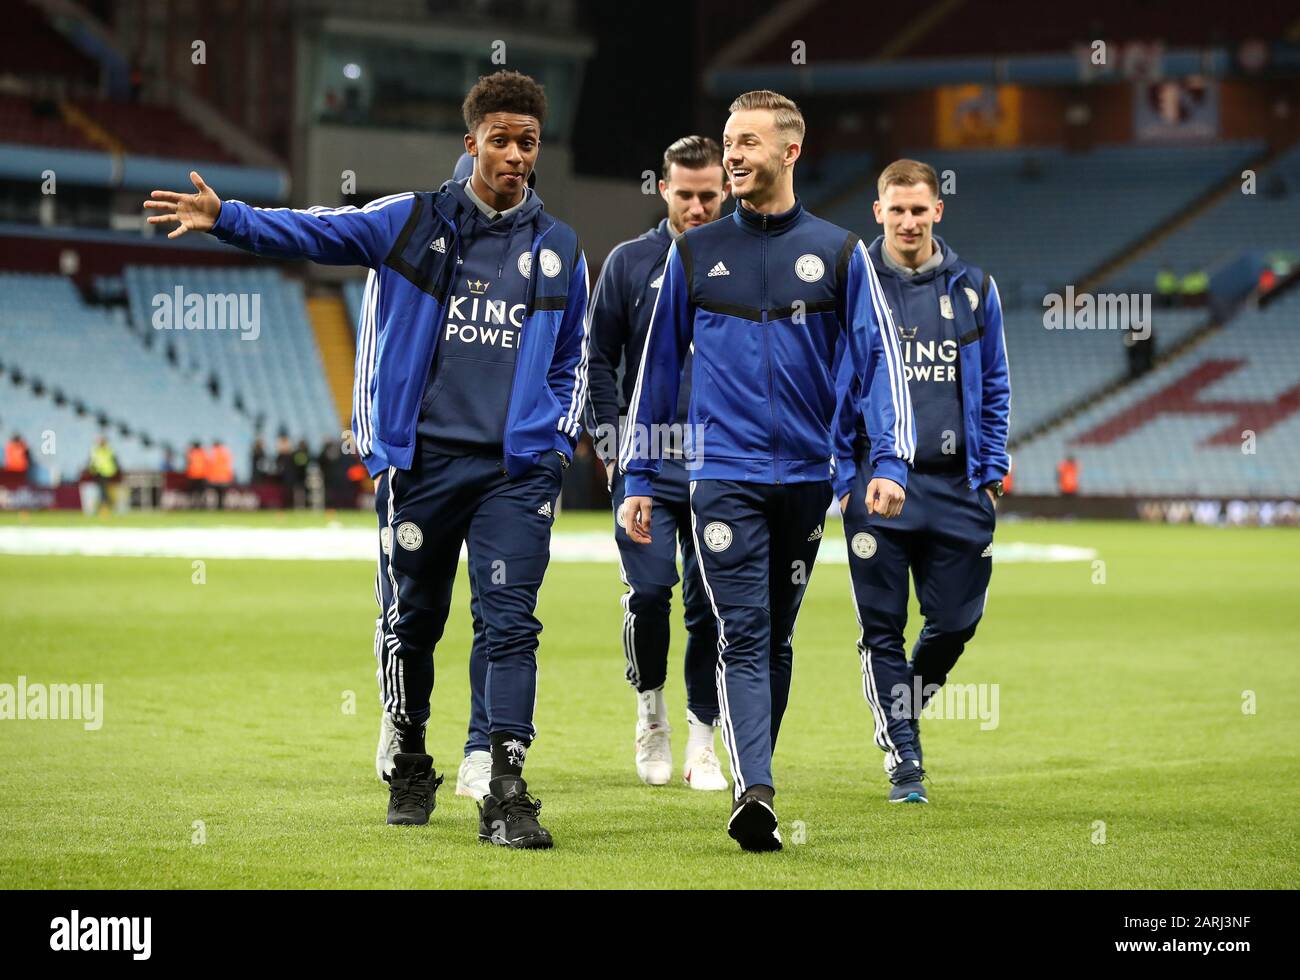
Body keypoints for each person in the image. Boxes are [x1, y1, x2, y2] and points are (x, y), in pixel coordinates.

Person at [145, 70, 589, 848]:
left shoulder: (559, 249)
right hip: (422, 466)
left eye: (528, 142)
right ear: (471, 143)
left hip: (514, 474)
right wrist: (226, 218)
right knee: (412, 625)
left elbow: (573, 360)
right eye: (501, 140)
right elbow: (316, 229)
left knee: (511, 624)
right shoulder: (409, 221)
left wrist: (551, 443)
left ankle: (508, 787)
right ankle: (411, 750)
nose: (515, 155)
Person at [620, 90, 913, 851]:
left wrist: (886, 461)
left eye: (747, 142)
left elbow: (880, 367)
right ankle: (755, 793)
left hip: (809, 481)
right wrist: (640, 480)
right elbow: (654, 379)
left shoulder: (844, 255)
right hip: (721, 474)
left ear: (790, 151)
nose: (733, 155)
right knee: (742, 632)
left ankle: (757, 771)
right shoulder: (693, 254)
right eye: (728, 141)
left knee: (777, 637)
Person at [833, 159, 1010, 804]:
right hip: (876, 485)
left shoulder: (974, 288)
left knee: (957, 621)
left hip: (956, 484)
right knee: (882, 627)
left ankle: (900, 704)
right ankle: (904, 752)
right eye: (896, 209)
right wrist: (843, 478)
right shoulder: (853, 284)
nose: (908, 221)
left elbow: (993, 383)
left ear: (939, 211)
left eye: (919, 209)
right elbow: (834, 383)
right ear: (877, 212)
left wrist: (989, 472)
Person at [586, 135, 729, 791]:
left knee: (712, 609)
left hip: (724, 468)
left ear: (724, 191)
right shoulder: (628, 263)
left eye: (708, 195)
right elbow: (597, 360)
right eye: (685, 194)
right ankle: (650, 712)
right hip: (648, 466)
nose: (697, 207)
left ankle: (703, 741)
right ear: (663, 189)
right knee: (649, 593)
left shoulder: (746, 263)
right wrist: (614, 446)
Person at [89, 436, 119, 514]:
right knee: (102, 490)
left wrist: (115, 470)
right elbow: (92, 461)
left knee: (103, 490)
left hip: (107, 473)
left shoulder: (109, 450)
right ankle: (106, 506)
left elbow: (114, 461)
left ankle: (105, 507)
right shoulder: (95, 450)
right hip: (98, 473)